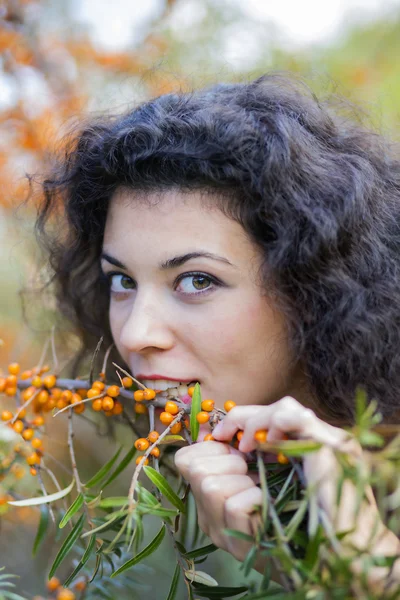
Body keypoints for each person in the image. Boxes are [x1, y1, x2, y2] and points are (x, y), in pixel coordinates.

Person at [35, 72, 400, 591]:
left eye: (196, 280)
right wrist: (306, 569)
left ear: (313, 285)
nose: (137, 334)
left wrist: (372, 568)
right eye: (121, 280)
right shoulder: (220, 498)